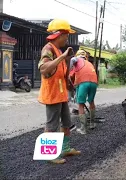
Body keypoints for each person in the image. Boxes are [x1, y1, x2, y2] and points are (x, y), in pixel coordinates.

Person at [38, 19, 81, 164]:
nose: (67, 39)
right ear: (59, 35)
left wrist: (67, 59)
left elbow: (63, 73)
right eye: (66, 35)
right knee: (52, 125)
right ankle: (48, 155)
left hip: (61, 93)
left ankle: (65, 148)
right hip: (52, 94)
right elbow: (44, 69)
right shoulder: (48, 49)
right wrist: (63, 57)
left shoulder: (58, 51)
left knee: (66, 122)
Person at [69, 50, 98, 134]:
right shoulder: (89, 63)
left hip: (83, 83)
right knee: (91, 101)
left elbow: (71, 75)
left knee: (80, 105)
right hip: (94, 82)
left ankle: (83, 129)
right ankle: (92, 123)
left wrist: (68, 69)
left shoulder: (76, 60)